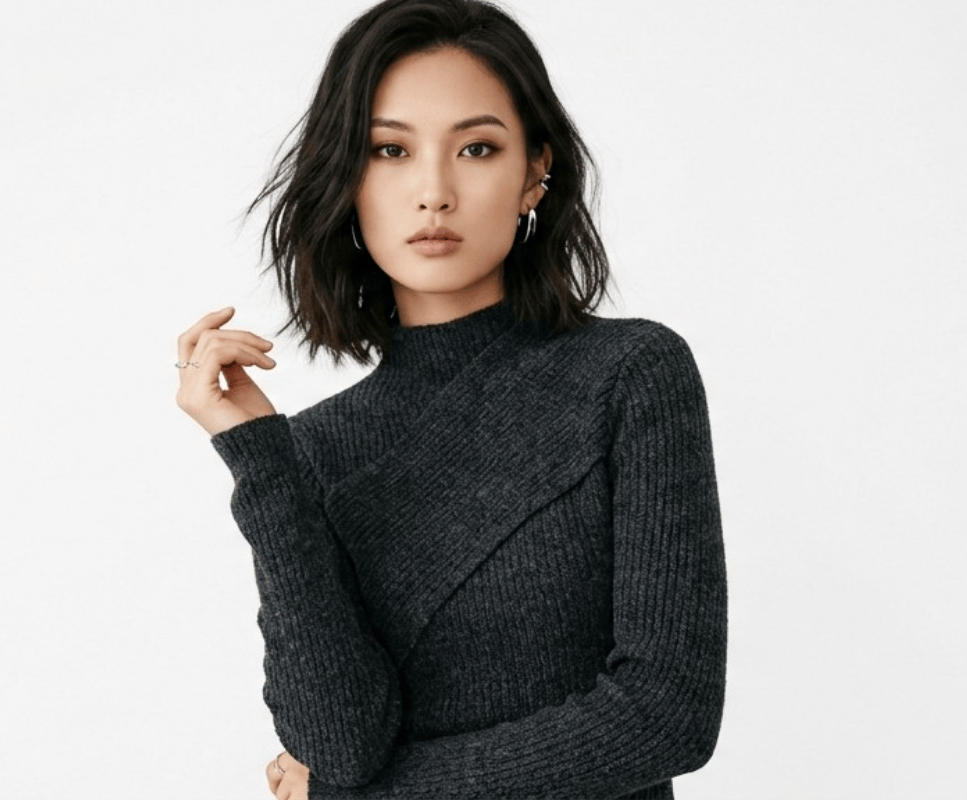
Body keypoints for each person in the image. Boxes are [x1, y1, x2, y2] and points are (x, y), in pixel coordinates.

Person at [172, 0, 727, 797]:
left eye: (476, 148)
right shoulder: (312, 451)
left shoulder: (628, 373)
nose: (433, 192)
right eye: (390, 150)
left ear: (534, 173)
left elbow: (667, 716)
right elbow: (340, 744)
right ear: (348, 179)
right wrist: (260, 459)